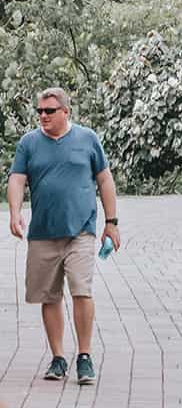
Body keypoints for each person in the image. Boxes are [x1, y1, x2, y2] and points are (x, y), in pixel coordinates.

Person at [6, 87, 120, 386]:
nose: (43, 116)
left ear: (65, 112)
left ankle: (84, 356)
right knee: (49, 296)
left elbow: (105, 179)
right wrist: (15, 212)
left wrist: (112, 222)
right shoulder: (29, 143)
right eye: (40, 111)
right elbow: (17, 179)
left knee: (82, 290)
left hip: (80, 230)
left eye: (49, 111)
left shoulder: (87, 139)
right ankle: (58, 357)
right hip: (43, 233)